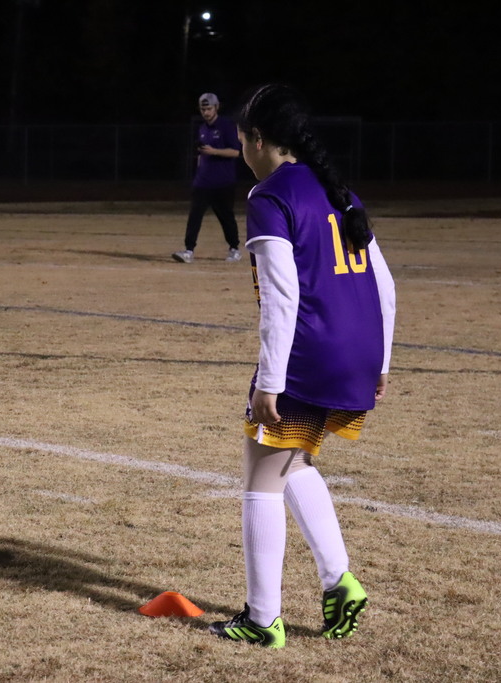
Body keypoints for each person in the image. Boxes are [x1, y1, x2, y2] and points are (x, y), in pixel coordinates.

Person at [207, 83, 396, 649]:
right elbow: (384, 282)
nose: (241, 150)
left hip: (311, 354)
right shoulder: (341, 192)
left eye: (241, 140)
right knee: (294, 463)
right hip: (357, 351)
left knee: (261, 478)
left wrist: (270, 381)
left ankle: (263, 620)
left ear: (257, 140)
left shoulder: (270, 197)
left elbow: (282, 297)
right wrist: (381, 361)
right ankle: (340, 582)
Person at [172, 93, 243, 264]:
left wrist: (215, 152)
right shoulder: (202, 128)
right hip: (203, 182)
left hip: (223, 182)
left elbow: (236, 152)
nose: (206, 112)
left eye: (209, 108)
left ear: (216, 108)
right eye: (203, 109)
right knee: (194, 215)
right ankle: (189, 250)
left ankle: (234, 248)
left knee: (226, 216)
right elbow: (201, 153)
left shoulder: (226, 126)